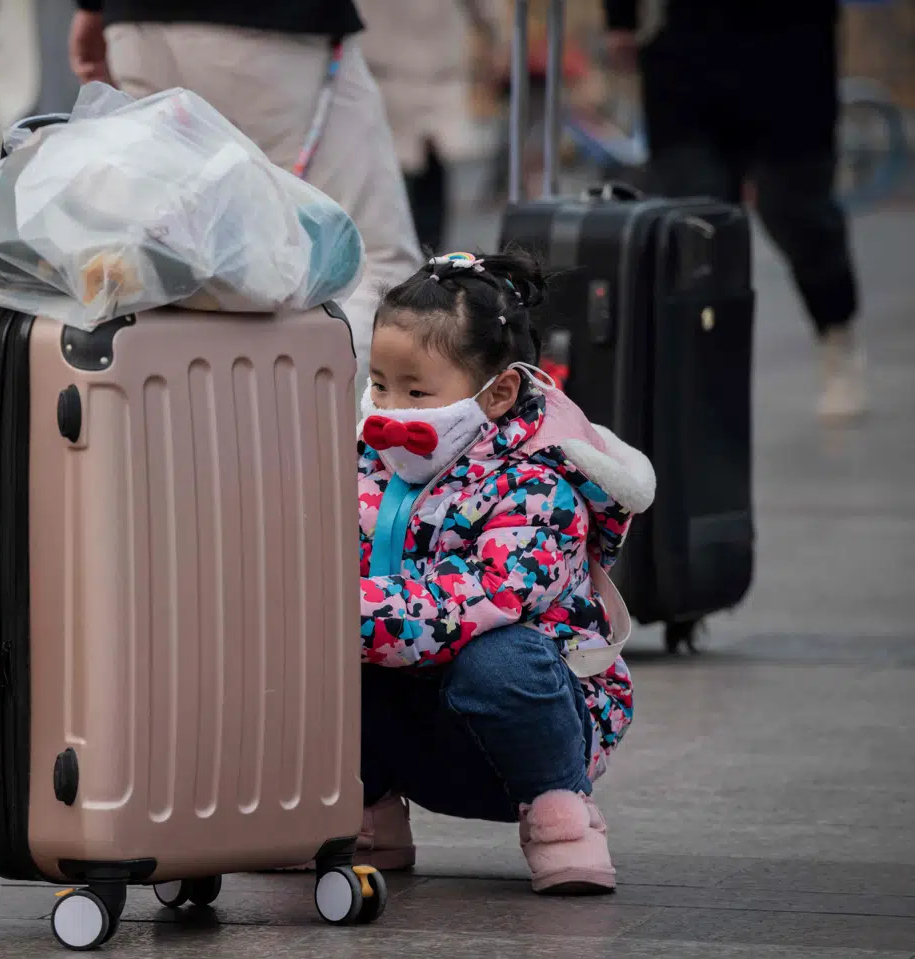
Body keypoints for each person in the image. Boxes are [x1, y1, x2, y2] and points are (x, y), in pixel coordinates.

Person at [351, 250, 653, 894]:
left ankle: (563, 818)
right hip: (416, 721)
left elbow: (479, 600)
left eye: (417, 390)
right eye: (379, 383)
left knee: (502, 658)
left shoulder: (539, 485)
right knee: (322, 652)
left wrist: (344, 612)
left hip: (525, 733)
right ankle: (367, 810)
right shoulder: (369, 460)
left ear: (500, 392)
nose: (390, 407)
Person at [68, 0, 422, 387]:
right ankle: (319, 428)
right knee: (370, 263)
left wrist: (93, 7)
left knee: (171, 263)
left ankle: (190, 429)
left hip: (135, 30)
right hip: (274, 36)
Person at [604, 0, 864, 421]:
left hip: (790, 43)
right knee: (691, 224)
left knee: (797, 211)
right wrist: (619, 18)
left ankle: (836, 332)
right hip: (686, 45)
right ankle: (704, 379)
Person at [361, 0, 503, 251]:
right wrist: (498, 47)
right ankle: (425, 259)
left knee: (396, 177)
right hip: (418, 76)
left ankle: (409, 258)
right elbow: (490, 15)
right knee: (424, 180)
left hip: (395, 77)